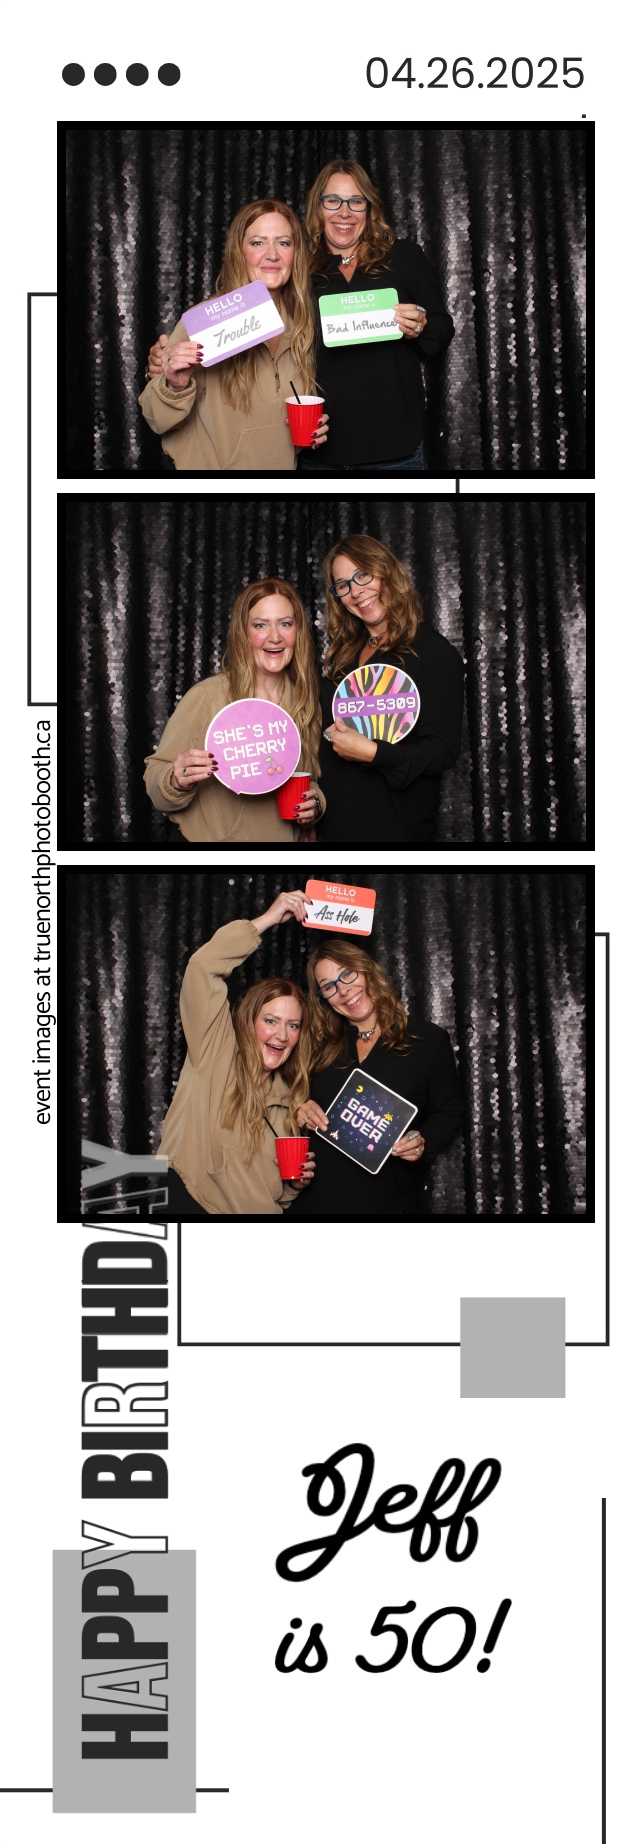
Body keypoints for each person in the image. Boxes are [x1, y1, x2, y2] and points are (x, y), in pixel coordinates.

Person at [138, 198, 328, 471]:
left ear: (295, 254)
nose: (272, 254)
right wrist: (174, 386)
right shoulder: (205, 322)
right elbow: (156, 419)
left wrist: (311, 433)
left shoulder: (301, 326)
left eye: (283, 243)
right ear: (239, 252)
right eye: (258, 242)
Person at [157, 890, 316, 1216]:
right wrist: (268, 919)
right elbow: (202, 967)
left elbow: (274, 1192)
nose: (282, 1035)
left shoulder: (289, 1101)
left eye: (293, 1025)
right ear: (249, 1021)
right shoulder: (215, 1052)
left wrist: (295, 1185)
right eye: (270, 1021)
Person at [287, 937, 463, 1221]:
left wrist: (423, 1140)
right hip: (313, 1203)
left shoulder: (428, 1040)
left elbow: (449, 1113)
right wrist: (299, 1106)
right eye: (329, 986)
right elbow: (282, 1093)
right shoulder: (317, 1045)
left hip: (384, 1202)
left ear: (366, 969)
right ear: (323, 997)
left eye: (347, 973)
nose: (343, 990)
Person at [297, 159, 454, 474]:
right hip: (317, 449)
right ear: (318, 207)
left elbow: (442, 329)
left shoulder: (404, 256)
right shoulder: (298, 267)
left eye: (356, 201)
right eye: (333, 200)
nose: (344, 212)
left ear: (369, 208)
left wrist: (421, 325)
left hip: (396, 449)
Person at [143, 578, 325, 843]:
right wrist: (176, 779)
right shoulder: (207, 697)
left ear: (298, 631)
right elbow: (156, 783)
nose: (275, 637)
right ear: (243, 632)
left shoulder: (304, 702)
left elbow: (308, 779)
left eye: (285, 623)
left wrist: (315, 806)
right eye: (260, 625)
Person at [317, 535, 464, 844]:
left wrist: (374, 753)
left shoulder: (433, 653)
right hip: (334, 829)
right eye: (343, 585)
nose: (356, 591)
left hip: (393, 832)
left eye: (363, 574)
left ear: (386, 572)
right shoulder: (343, 656)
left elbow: (443, 752)